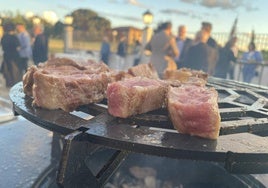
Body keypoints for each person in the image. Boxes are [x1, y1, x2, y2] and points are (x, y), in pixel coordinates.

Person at [0, 22, 21, 87]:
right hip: (14, 57)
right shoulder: (14, 37)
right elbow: (18, 48)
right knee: (15, 71)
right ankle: (14, 85)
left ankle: (8, 84)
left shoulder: (4, 37)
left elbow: (2, 46)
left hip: (6, 56)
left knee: (7, 71)